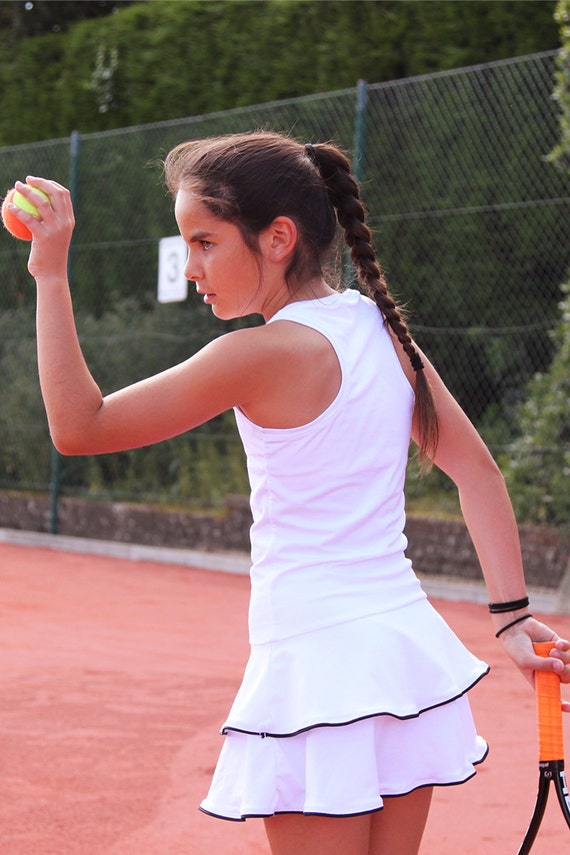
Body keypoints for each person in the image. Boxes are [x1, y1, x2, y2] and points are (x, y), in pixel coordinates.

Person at [11, 130, 570, 855]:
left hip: (316, 671)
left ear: (277, 238)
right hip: (400, 657)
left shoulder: (255, 355)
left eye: (205, 242)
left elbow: (79, 427)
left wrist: (50, 274)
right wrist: (512, 617)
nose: (192, 266)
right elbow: (478, 470)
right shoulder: (380, 328)